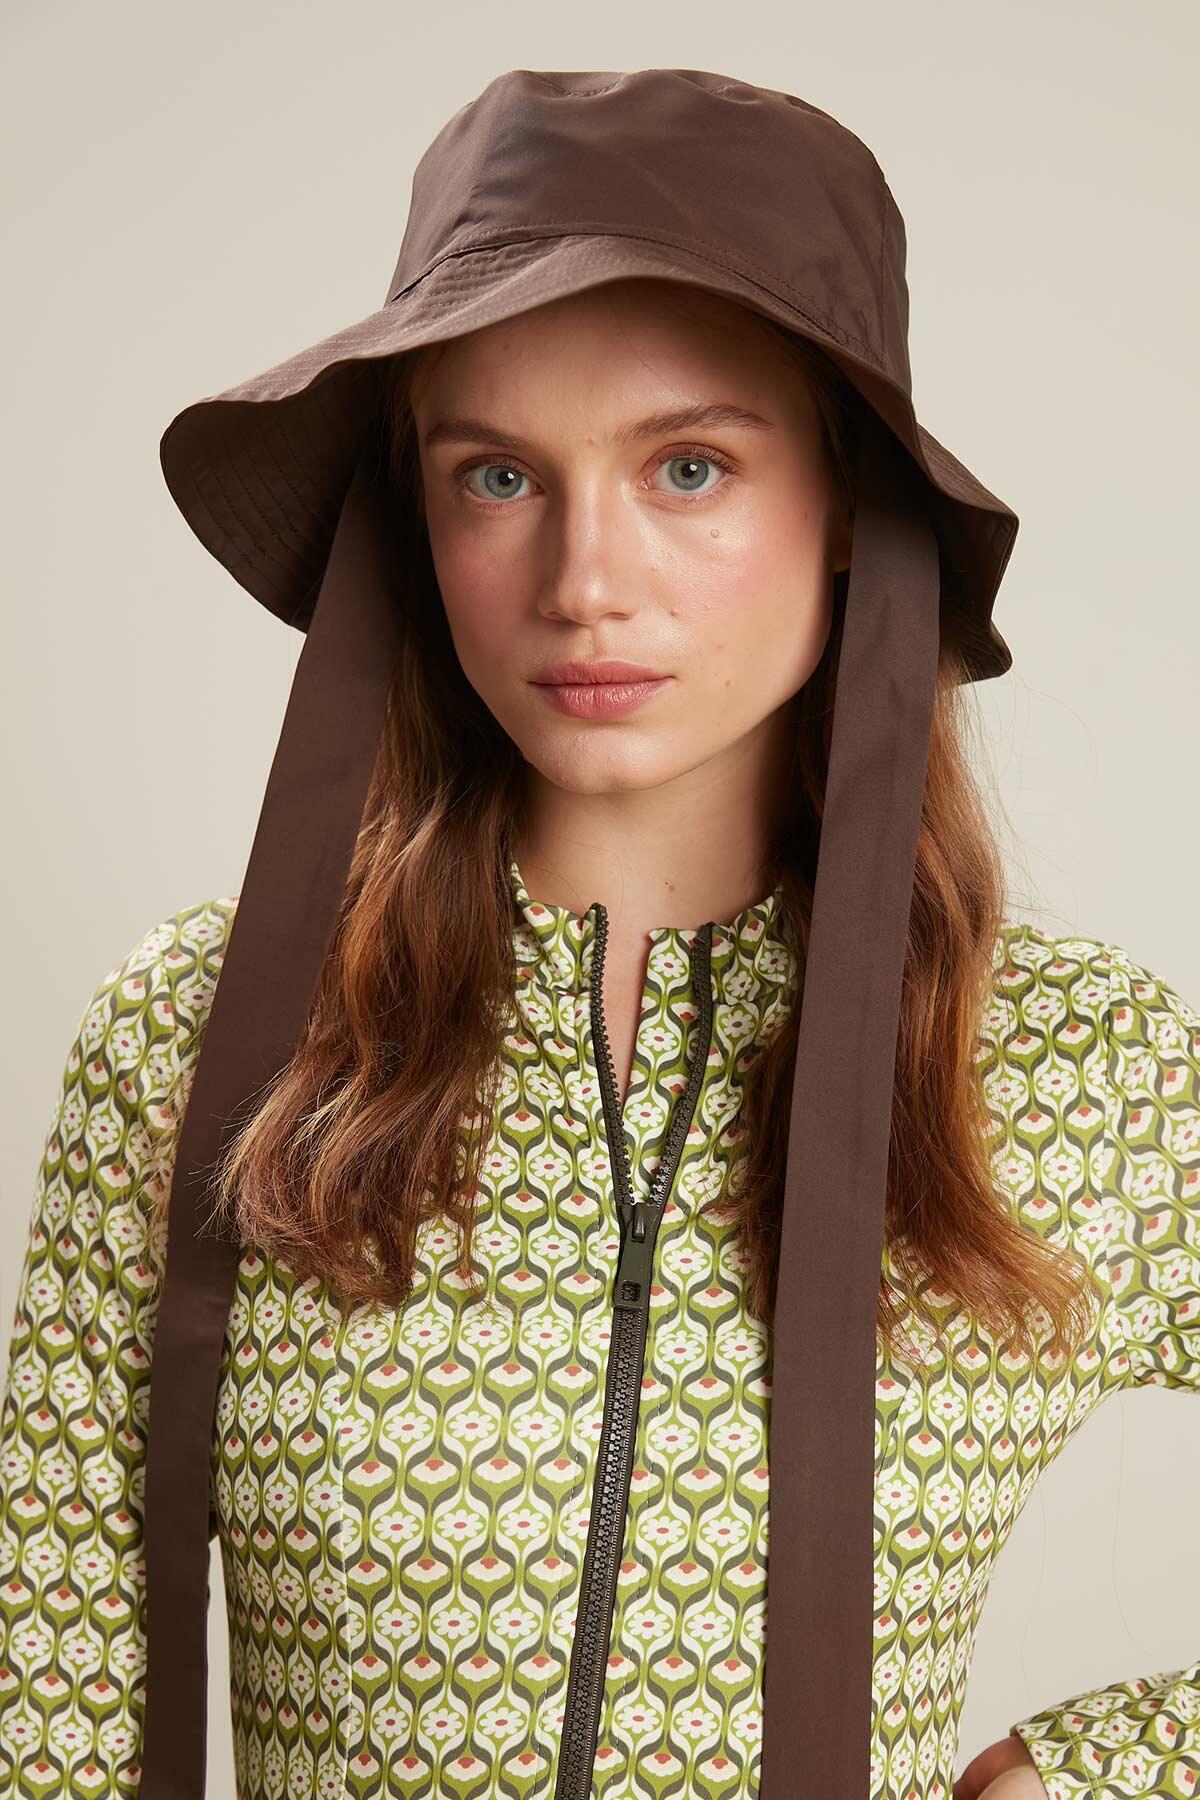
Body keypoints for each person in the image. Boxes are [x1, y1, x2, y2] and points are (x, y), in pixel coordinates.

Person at [1, 68, 1196, 1800]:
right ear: (416, 516)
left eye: (688, 467)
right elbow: (48, 1688)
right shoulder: (200, 1038)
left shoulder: (1079, 1069)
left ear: (848, 506)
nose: (582, 581)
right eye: (497, 476)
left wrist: (1100, 1776)